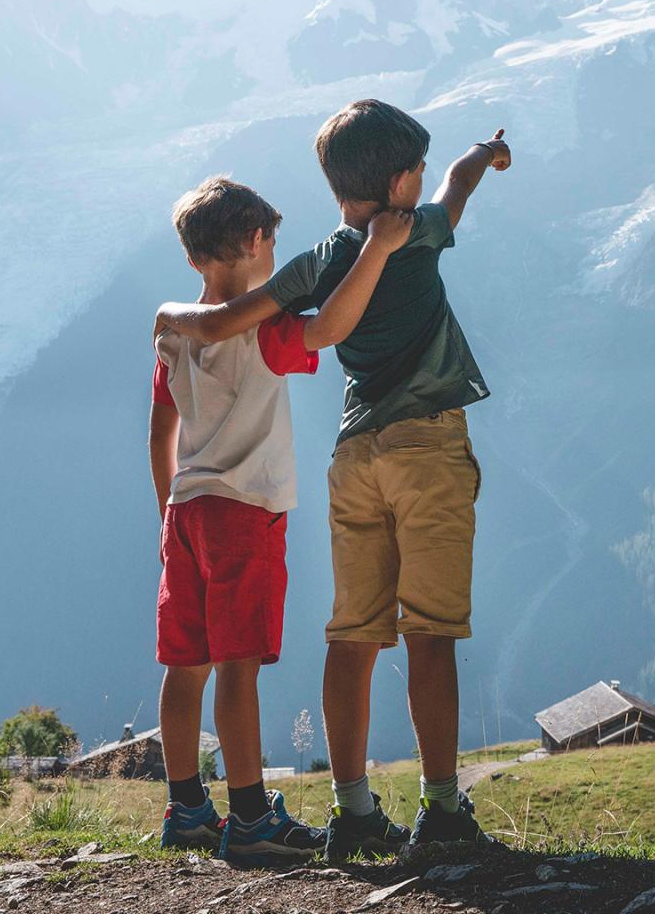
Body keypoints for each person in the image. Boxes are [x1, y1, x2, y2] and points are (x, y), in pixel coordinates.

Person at [156, 102, 511, 859]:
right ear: (396, 181)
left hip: (354, 459)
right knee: (433, 631)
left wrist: (170, 312)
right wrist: (485, 155)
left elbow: (222, 322)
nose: (422, 175)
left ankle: (352, 809)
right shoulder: (415, 229)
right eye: (414, 166)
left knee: (353, 634)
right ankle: (442, 811)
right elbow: (455, 190)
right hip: (427, 446)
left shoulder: (316, 261)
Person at [150, 174, 411, 864]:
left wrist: (165, 514)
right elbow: (329, 327)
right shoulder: (262, 328)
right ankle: (252, 818)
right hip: (246, 512)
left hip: (186, 510)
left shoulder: (174, 334)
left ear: (192, 255)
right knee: (240, 666)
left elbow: (160, 433)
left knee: (187, 663)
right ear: (257, 239)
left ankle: (186, 808)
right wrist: (377, 252)